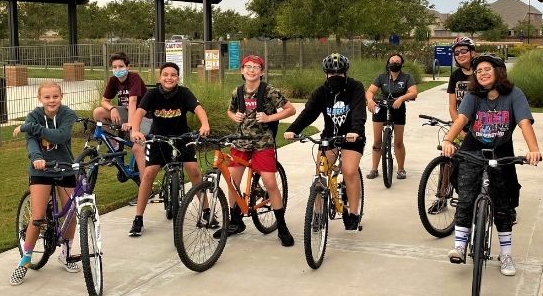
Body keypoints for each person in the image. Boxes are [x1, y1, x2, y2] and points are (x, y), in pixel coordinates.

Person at [441, 54, 541, 276]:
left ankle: (505, 254)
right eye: (478, 71)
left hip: (502, 150)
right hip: (473, 148)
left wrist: (533, 149)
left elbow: (524, 123)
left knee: (504, 205)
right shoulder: (474, 95)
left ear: (498, 72)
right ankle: (459, 245)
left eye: (487, 69)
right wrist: (448, 140)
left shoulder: (514, 94)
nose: (482, 73)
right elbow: (462, 119)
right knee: (466, 197)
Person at [219, 54, 296, 246]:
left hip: (263, 143)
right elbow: (230, 110)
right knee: (232, 181)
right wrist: (233, 116)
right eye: (248, 66)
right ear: (242, 71)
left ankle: (282, 226)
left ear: (262, 71)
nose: (251, 70)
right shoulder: (237, 92)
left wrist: (270, 118)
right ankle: (235, 221)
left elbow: (290, 109)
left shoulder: (269, 91)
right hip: (241, 142)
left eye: (256, 67)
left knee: (270, 182)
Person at [283, 53, 366, 231]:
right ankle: (319, 213)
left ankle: (353, 212)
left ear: (345, 73)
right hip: (329, 137)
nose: (335, 77)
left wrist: (355, 131)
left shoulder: (355, 87)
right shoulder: (320, 92)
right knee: (320, 175)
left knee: (349, 171)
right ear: (326, 74)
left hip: (352, 137)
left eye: (339, 73)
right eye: (331, 73)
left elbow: (359, 112)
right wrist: (293, 129)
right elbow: (308, 113)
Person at [127, 62, 211, 237]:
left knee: (194, 171)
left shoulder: (184, 93)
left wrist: (205, 124)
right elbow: (139, 113)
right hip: (158, 139)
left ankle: (206, 211)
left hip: (182, 138)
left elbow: (198, 109)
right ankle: (138, 218)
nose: (169, 78)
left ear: (178, 78)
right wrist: (135, 130)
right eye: (165, 75)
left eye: (173, 75)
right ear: (160, 77)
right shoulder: (152, 94)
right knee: (149, 174)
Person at [10, 82, 80, 285]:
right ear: (40, 98)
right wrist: (36, 157)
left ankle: (66, 253)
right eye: (47, 97)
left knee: (70, 212)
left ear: (61, 96)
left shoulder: (67, 114)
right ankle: (25, 260)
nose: (52, 101)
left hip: (65, 166)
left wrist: (28, 127)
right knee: (38, 216)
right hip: (40, 168)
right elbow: (32, 142)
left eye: (55, 96)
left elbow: (62, 135)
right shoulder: (35, 115)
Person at [93, 52, 150, 196]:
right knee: (98, 112)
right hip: (126, 111)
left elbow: (133, 102)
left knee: (137, 146)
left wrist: (131, 124)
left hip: (143, 114)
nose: (118, 69)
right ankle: (115, 145)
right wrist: (112, 108)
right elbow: (104, 101)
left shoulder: (134, 78)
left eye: (121, 66)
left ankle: (146, 188)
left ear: (128, 67)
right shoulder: (113, 80)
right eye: (114, 67)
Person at [365, 53, 418, 180]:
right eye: (392, 61)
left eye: (397, 61)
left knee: (398, 142)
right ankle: (374, 169)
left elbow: (414, 92)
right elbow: (370, 91)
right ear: (388, 63)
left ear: (402, 64)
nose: (394, 63)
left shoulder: (407, 77)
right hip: (381, 107)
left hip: (398, 109)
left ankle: (401, 169)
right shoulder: (381, 77)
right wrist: (370, 100)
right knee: (377, 141)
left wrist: (402, 98)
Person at [447, 37, 476, 121]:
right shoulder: (454, 76)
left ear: (472, 53)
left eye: (463, 51)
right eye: (456, 53)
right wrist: (460, 131)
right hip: (462, 123)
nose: (460, 55)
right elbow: (452, 107)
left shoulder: (480, 72)